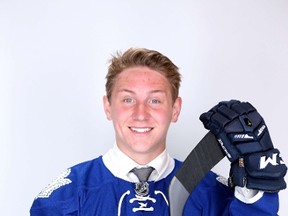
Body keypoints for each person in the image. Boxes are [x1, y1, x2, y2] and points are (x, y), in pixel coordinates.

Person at [30, 48, 286, 215]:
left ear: (175, 109)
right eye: (128, 100)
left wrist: (255, 193)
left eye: (155, 100)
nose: (141, 114)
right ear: (108, 107)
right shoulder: (64, 197)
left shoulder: (215, 195)